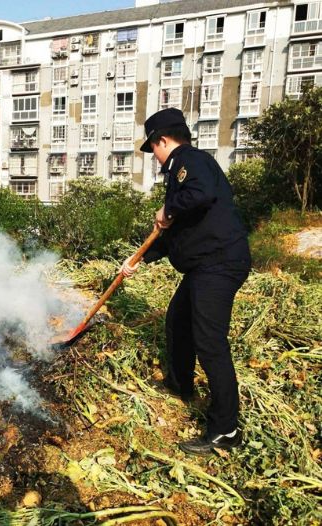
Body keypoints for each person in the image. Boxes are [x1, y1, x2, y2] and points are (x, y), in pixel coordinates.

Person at [121, 108, 251, 456]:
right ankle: (180, 386)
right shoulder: (182, 174)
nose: (155, 159)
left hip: (219, 264)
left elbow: (202, 194)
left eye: (154, 149)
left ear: (161, 140)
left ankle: (226, 429)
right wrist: (139, 260)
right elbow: (173, 235)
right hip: (203, 266)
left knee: (210, 342)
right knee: (178, 321)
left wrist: (168, 209)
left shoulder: (189, 162)